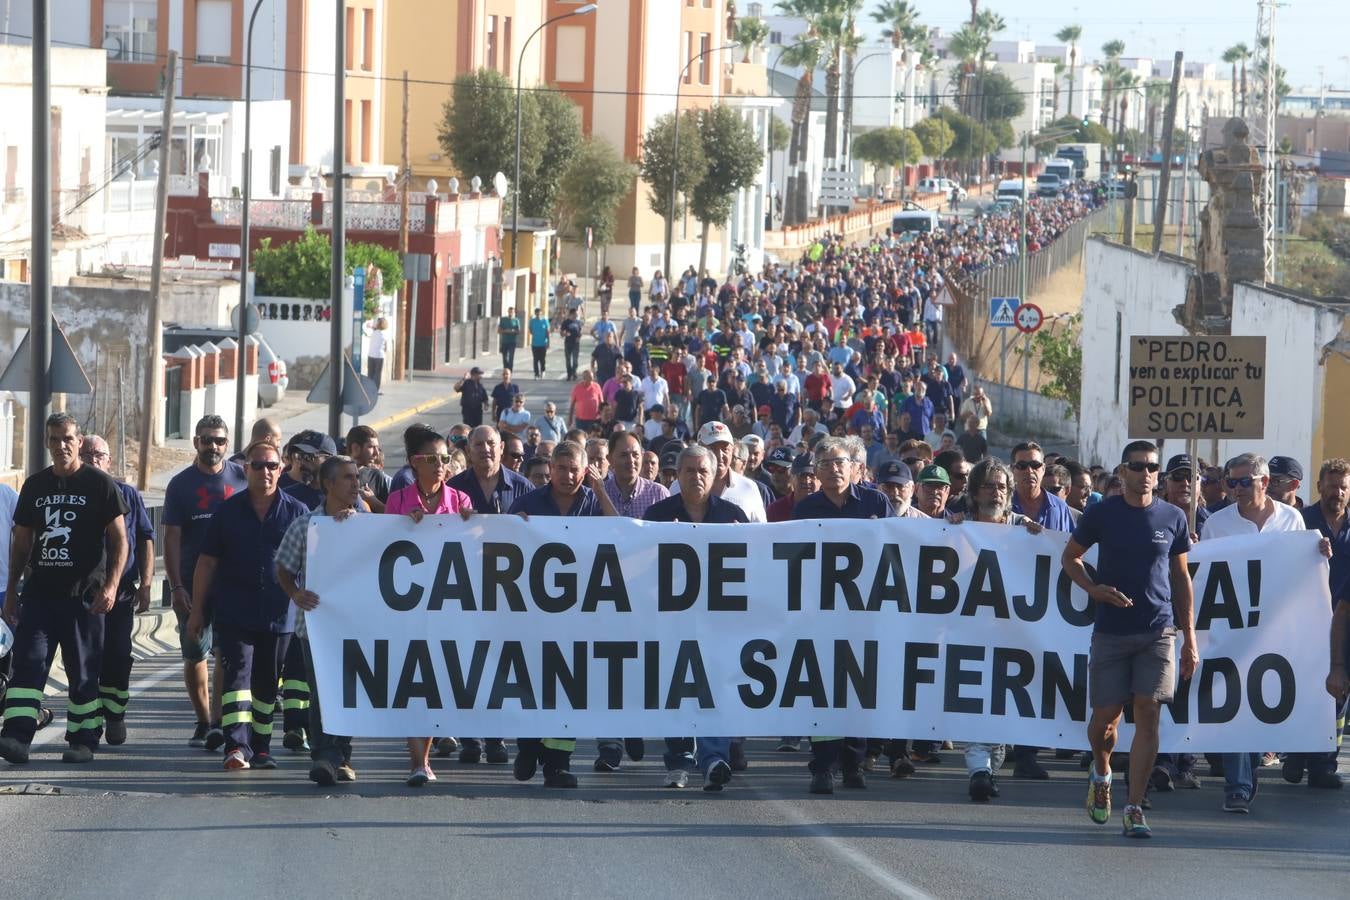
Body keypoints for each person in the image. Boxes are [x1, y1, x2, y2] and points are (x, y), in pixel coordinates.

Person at [1062, 440, 1197, 840]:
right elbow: (1070, 557)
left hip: (1158, 631)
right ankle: (1101, 772)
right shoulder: (1102, 513)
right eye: (1138, 467)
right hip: (1111, 632)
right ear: (1123, 472)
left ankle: (1135, 806)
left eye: (1153, 468)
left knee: (1149, 712)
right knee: (1106, 720)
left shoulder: (1172, 516)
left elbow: (1180, 578)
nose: (1146, 474)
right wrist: (1094, 589)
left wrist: (1189, 637)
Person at [1202, 453, 1332, 811]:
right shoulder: (1217, 523)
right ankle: (1237, 787)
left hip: (1277, 632)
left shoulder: (1291, 519)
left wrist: (1320, 551)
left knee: (1263, 704)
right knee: (1235, 704)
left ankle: (1255, 763)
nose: (1237, 489)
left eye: (1245, 482)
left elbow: (1304, 567)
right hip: (1234, 630)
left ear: (1263, 482)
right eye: (1232, 482)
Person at [0, 413, 128, 766]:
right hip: (41, 593)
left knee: (83, 670)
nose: (61, 445)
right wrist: (12, 591)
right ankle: (16, 736)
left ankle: (83, 739)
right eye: (55, 439)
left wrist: (112, 584)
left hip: (84, 597)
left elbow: (120, 539)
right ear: (46, 442)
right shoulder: (35, 486)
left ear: (79, 441)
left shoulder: (100, 485)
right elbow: (22, 542)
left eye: (68, 438)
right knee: (28, 663)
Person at [187, 438, 308, 772]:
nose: (265, 472)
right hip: (235, 611)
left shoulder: (297, 513)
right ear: (245, 468)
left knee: (268, 684)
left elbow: (317, 559)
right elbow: (207, 562)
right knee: (238, 674)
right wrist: (197, 610)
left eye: (271, 465)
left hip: (280, 614)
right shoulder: (228, 510)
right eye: (258, 465)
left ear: (281, 469)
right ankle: (236, 746)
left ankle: (262, 747)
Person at [792, 436, 895, 795]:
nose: (834, 469)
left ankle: (854, 762)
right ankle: (823, 765)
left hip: (865, 615)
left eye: (841, 463)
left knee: (858, 688)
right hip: (820, 616)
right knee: (822, 691)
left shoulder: (875, 502)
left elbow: (901, 548)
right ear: (816, 472)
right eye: (827, 464)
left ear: (854, 468)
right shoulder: (805, 510)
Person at [643, 445, 750, 790]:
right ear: (677, 474)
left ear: (716, 472)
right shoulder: (658, 515)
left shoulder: (732, 515)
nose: (696, 477)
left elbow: (754, 570)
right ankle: (678, 760)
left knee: (713, 688)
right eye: (689, 471)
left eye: (703, 470)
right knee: (676, 690)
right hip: (671, 623)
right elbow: (639, 567)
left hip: (718, 624)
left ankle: (713, 759)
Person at [505, 441, 605, 788]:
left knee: (570, 689)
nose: (568, 475)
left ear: (586, 469)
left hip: (579, 616)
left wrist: (602, 491)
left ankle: (558, 764)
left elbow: (621, 536)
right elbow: (498, 544)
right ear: (552, 469)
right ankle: (529, 748)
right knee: (532, 683)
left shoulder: (594, 503)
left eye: (575, 468)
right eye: (561, 468)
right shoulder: (529, 503)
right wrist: (512, 528)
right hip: (533, 615)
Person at [386, 431, 475, 785]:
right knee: (413, 683)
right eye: (432, 459)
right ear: (414, 463)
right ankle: (416, 763)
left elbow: (476, 550)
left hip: (447, 607)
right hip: (407, 608)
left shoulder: (460, 499)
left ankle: (426, 756)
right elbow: (379, 545)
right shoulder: (397, 500)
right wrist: (401, 526)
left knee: (438, 683)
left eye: (445, 459)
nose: (441, 466)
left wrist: (473, 525)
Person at [953, 458, 1043, 801]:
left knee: (1003, 704)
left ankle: (989, 766)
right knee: (976, 700)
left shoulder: (1024, 528)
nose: (995, 492)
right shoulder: (957, 526)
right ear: (975, 492)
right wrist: (950, 530)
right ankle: (979, 769)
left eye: (1002, 486)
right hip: (969, 632)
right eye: (988, 485)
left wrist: (1039, 538)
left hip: (1012, 634)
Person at [274, 454, 364, 787]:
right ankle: (324, 756)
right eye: (347, 477)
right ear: (328, 484)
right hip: (315, 628)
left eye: (356, 477)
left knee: (348, 690)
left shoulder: (365, 523)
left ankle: (344, 756)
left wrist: (358, 525)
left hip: (355, 626)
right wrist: (294, 593)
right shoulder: (306, 526)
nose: (355, 483)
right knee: (322, 691)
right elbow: (283, 567)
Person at [446, 426, 532, 765]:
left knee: (499, 664)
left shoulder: (523, 488)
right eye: (478, 444)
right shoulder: (454, 489)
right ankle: (469, 738)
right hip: (463, 590)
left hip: (508, 593)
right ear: (468, 450)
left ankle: (495, 737)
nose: (485, 450)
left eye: (491, 444)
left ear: (502, 448)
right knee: (467, 663)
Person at [162, 415, 247, 749]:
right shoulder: (180, 485)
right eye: (207, 440)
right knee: (195, 654)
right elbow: (170, 539)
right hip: (191, 587)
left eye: (220, 440)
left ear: (227, 444)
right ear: (196, 442)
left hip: (232, 585)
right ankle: (202, 721)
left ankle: (218, 722)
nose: (213, 446)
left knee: (226, 654)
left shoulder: (242, 478)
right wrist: (176, 586)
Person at [79, 435, 153, 747]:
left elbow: (145, 537)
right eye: (87, 454)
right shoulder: (75, 494)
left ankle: (115, 714)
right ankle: (89, 724)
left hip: (121, 591)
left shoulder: (127, 494)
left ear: (110, 461)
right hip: (83, 592)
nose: (93, 459)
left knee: (118, 655)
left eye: (100, 455)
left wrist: (147, 584)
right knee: (85, 658)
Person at [1288, 456, 1350, 791]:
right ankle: (1297, 753)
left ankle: (1324, 762)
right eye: (1331, 486)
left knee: (1338, 694)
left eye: (1343, 487)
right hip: (1307, 620)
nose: (1337, 493)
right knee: (1305, 689)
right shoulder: (1302, 521)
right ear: (1319, 487)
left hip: (1345, 621)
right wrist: (1308, 550)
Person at [670, 422, 767, 522]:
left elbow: (760, 532)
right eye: (712, 448)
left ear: (732, 451)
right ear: (699, 448)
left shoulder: (749, 488)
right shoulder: (678, 486)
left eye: (725, 449)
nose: (719, 455)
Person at [599, 431, 669, 520]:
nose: (631, 460)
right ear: (610, 459)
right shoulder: (599, 494)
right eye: (624, 455)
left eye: (635, 455)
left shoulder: (659, 494)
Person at [560, 307, 583, 380]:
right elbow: (561, 333)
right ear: (571, 314)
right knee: (568, 360)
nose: (576, 315)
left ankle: (574, 373)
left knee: (575, 360)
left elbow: (580, 333)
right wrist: (565, 334)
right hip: (568, 343)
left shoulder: (578, 322)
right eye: (575, 314)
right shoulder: (566, 322)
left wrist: (579, 337)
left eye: (577, 314)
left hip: (576, 344)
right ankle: (569, 374)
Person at [365, 317, 387, 390]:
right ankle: (375, 390)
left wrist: (370, 326)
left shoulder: (374, 332)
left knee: (370, 373)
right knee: (377, 374)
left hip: (371, 355)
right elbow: (385, 347)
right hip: (379, 356)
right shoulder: (384, 334)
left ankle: (369, 388)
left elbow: (373, 328)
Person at [528, 307, 551, 378]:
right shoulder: (532, 321)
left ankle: (543, 370)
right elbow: (531, 330)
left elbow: (547, 332)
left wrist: (548, 342)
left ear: (541, 314)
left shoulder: (545, 321)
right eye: (537, 314)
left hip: (543, 344)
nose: (538, 315)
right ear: (535, 314)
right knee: (535, 359)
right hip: (535, 344)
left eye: (540, 314)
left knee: (542, 359)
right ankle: (536, 373)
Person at [498, 305, 521, 372]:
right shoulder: (503, 320)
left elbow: (518, 331)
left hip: (512, 342)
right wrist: (505, 331)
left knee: (511, 358)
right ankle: (505, 369)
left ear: (514, 313)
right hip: (504, 342)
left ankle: (510, 371)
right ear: (508, 312)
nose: (511, 313)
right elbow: (499, 331)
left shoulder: (516, 320)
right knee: (505, 358)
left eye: (512, 312)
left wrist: (512, 331)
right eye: (510, 312)